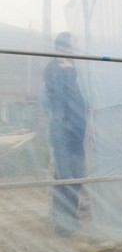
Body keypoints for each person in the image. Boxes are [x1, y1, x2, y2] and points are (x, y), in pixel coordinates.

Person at [43, 32, 87, 237]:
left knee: (76, 178)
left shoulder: (73, 68)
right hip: (63, 135)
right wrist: (69, 74)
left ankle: (70, 218)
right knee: (64, 179)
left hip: (76, 134)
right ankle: (63, 224)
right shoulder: (53, 69)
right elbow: (62, 100)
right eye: (72, 47)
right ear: (63, 48)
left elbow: (80, 100)